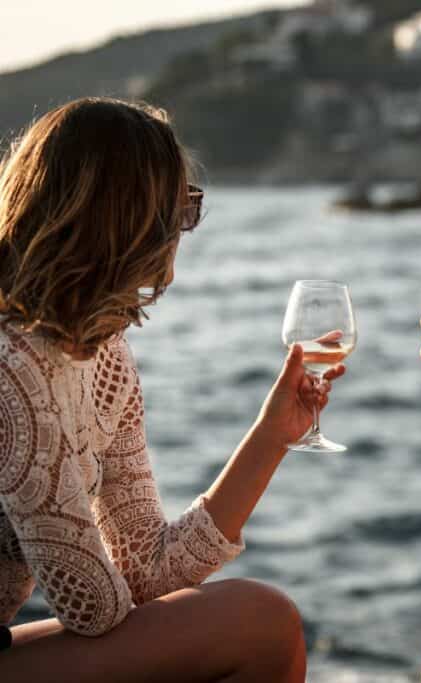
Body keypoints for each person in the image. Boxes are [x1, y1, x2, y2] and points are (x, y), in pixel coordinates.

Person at [0, 98, 344, 681]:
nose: (184, 229)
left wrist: (270, 438)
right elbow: (93, 608)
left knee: (260, 622)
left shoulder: (101, 353)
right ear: (132, 221)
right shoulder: (14, 364)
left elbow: (142, 570)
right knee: (259, 623)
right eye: (183, 208)